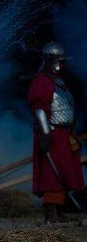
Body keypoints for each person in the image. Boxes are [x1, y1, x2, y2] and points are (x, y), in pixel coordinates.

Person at [27, 42, 85, 223]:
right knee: (52, 173)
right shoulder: (41, 82)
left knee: (63, 172)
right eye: (60, 61)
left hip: (63, 134)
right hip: (51, 134)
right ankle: (51, 213)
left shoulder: (58, 83)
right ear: (52, 61)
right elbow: (39, 109)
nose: (63, 64)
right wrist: (45, 134)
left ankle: (58, 211)